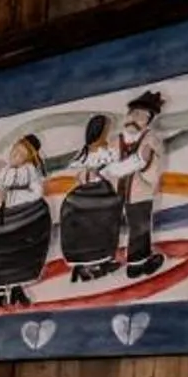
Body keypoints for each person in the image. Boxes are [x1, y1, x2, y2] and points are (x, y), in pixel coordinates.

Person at [0, 131, 53, 306]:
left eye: (20, 153)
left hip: (24, 217)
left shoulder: (29, 171)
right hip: (4, 216)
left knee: (19, 254)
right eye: (14, 150)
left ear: (27, 158)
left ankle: (17, 289)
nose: (14, 155)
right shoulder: (6, 170)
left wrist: (12, 193)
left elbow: (37, 192)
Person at [101, 90, 167, 278]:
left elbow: (153, 170)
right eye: (133, 114)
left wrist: (142, 164)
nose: (134, 119)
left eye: (141, 116)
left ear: (148, 121)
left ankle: (137, 263)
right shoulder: (114, 141)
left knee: (140, 226)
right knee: (109, 224)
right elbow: (108, 169)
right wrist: (136, 161)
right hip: (114, 192)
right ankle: (105, 260)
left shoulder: (151, 140)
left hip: (139, 192)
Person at [56, 111, 124, 281]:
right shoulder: (85, 154)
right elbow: (78, 173)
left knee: (105, 228)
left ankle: (104, 261)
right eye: (106, 129)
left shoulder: (108, 151)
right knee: (82, 230)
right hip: (88, 196)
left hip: (102, 196)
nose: (108, 132)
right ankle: (81, 266)